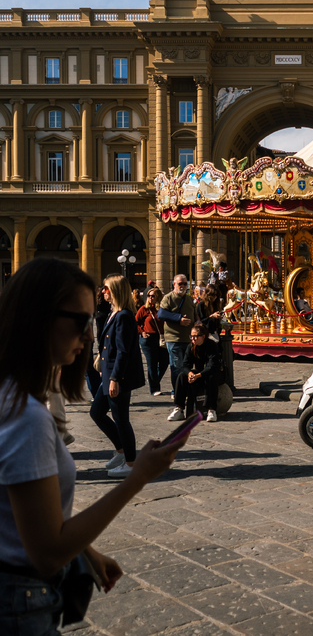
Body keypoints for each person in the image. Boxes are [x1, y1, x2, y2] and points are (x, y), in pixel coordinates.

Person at [0, 258, 189, 636]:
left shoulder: (9, 393)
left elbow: (21, 515)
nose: (90, 335)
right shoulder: (28, 418)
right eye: (81, 321)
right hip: (20, 603)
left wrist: (85, 551)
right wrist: (136, 479)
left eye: (92, 320)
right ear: (39, 318)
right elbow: (48, 551)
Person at [90, 275, 145, 478]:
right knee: (96, 412)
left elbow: (123, 351)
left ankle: (131, 464)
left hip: (117, 376)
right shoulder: (114, 312)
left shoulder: (123, 315)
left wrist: (115, 379)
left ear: (115, 290)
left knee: (121, 419)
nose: (103, 292)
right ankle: (121, 452)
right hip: (109, 374)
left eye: (106, 288)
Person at [168, 323, 222, 424]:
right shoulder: (191, 346)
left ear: (203, 336)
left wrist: (198, 375)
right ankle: (179, 408)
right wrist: (189, 373)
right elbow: (185, 365)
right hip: (199, 372)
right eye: (191, 336)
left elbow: (212, 365)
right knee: (181, 376)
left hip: (212, 372)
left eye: (195, 336)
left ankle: (211, 409)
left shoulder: (212, 345)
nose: (193, 339)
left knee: (211, 377)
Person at [158, 274, 196, 393]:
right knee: (176, 367)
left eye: (185, 284)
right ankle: (177, 391)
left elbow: (194, 315)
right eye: (180, 284)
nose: (183, 286)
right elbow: (161, 314)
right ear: (174, 284)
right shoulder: (168, 298)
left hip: (188, 339)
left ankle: (185, 389)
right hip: (174, 339)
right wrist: (179, 319)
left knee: (187, 367)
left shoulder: (189, 299)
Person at [136, 286, 168, 395]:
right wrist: (142, 332)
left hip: (162, 338)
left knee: (164, 362)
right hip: (148, 339)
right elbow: (135, 322)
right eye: (148, 296)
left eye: (153, 296)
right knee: (152, 364)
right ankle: (154, 388)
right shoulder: (144, 309)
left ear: (158, 297)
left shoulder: (163, 309)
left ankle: (154, 381)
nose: (150, 298)